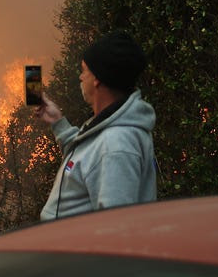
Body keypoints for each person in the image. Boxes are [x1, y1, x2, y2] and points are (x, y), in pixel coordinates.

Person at [36, 30, 156, 221]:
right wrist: (59, 123)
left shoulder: (117, 145)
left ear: (98, 78)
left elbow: (115, 229)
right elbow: (87, 164)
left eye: (84, 70)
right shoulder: (108, 127)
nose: (81, 77)